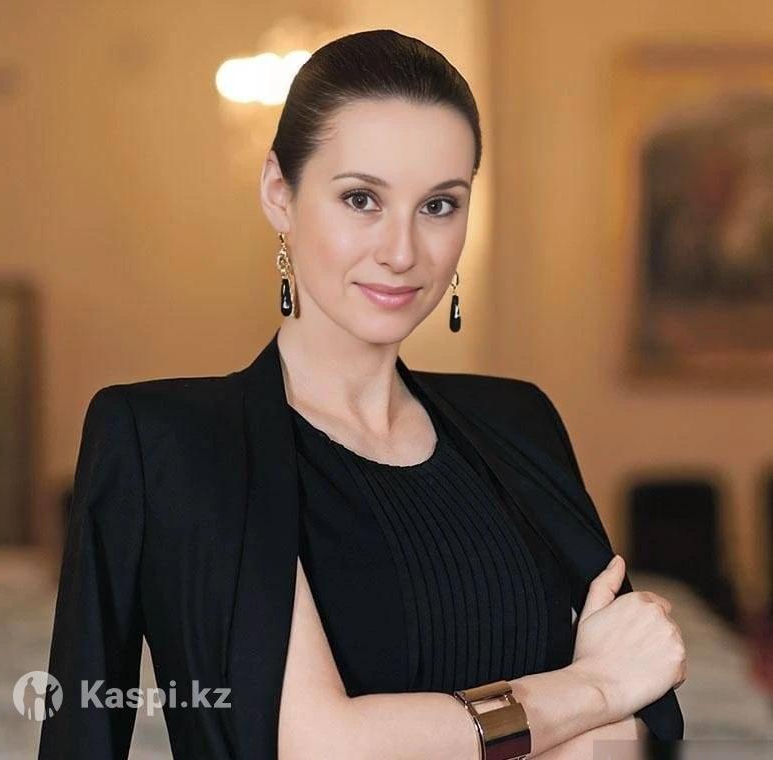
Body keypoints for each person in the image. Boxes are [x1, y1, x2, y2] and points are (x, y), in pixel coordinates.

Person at [38, 29, 686, 760]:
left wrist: (597, 700)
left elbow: (631, 723)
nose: (402, 251)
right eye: (360, 199)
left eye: (439, 205)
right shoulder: (178, 444)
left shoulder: (520, 422)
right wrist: (590, 687)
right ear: (279, 193)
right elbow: (320, 745)